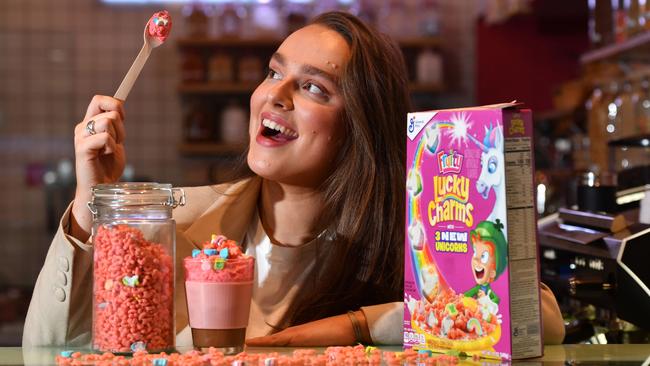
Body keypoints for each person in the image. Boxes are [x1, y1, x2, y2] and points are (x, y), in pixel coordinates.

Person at [23, 11, 565, 348]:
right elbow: (47, 345)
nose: (274, 96)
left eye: (315, 89)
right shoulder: (175, 221)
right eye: (275, 72)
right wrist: (88, 200)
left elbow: (532, 315)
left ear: (363, 129)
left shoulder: (416, 238)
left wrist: (355, 325)